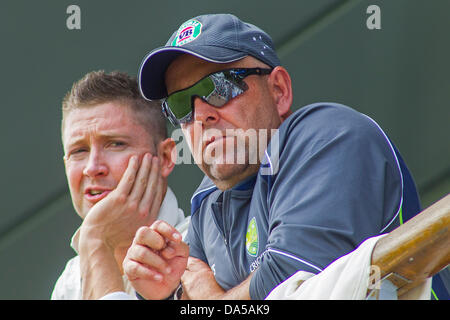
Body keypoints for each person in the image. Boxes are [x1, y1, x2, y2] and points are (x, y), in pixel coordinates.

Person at [123, 13, 442, 300]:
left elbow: (291, 281)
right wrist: (163, 293)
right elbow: (183, 284)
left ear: (278, 90)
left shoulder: (329, 136)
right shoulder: (208, 202)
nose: (201, 114)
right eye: (180, 105)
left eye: (219, 87)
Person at [51, 71, 190, 299]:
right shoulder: (69, 281)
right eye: (79, 151)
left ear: (165, 157)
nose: (92, 167)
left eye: (115, 144)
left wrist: (95, 238)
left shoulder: (202, 244)